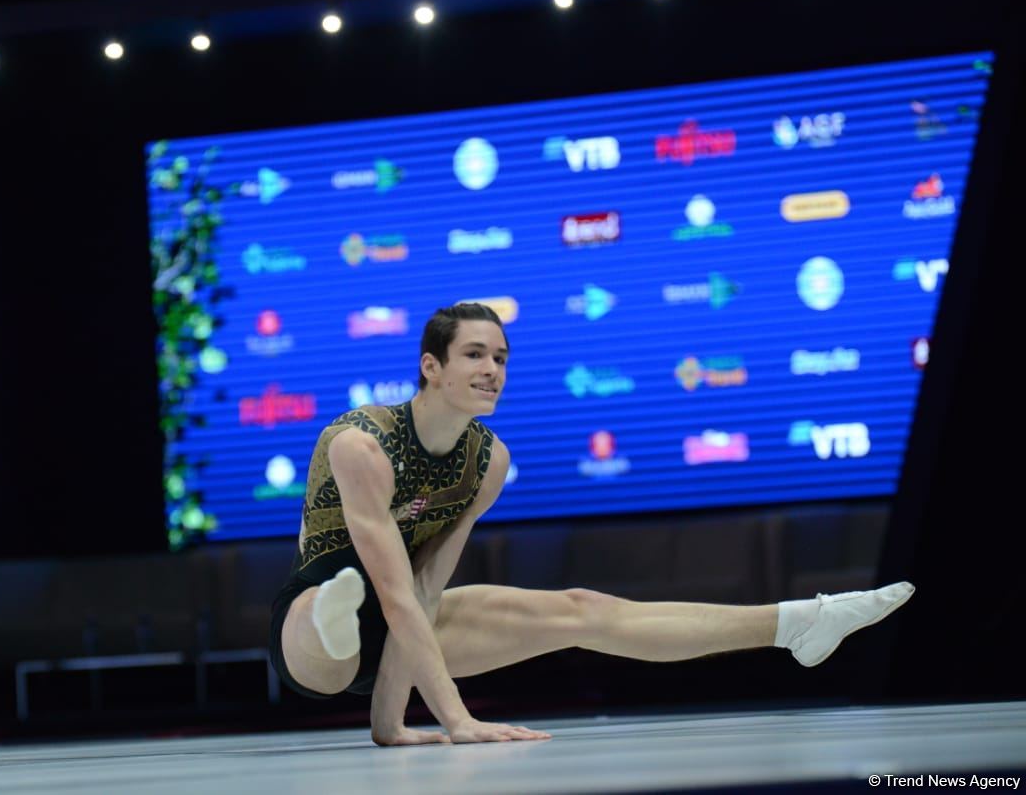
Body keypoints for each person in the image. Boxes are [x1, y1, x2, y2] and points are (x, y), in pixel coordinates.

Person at [267, 302, 914, 747]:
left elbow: (427, 588)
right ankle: (332, 616)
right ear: (431, 366)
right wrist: (457, 719)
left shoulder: (488, 462)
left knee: (582, 608)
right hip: (314, 619)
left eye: (501, 357)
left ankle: (797, 623)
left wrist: (390, 725)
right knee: (337, 632)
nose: (492, 369)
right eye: (474, 354)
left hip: (407, 618)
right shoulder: (361, 443)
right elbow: (394, 592)